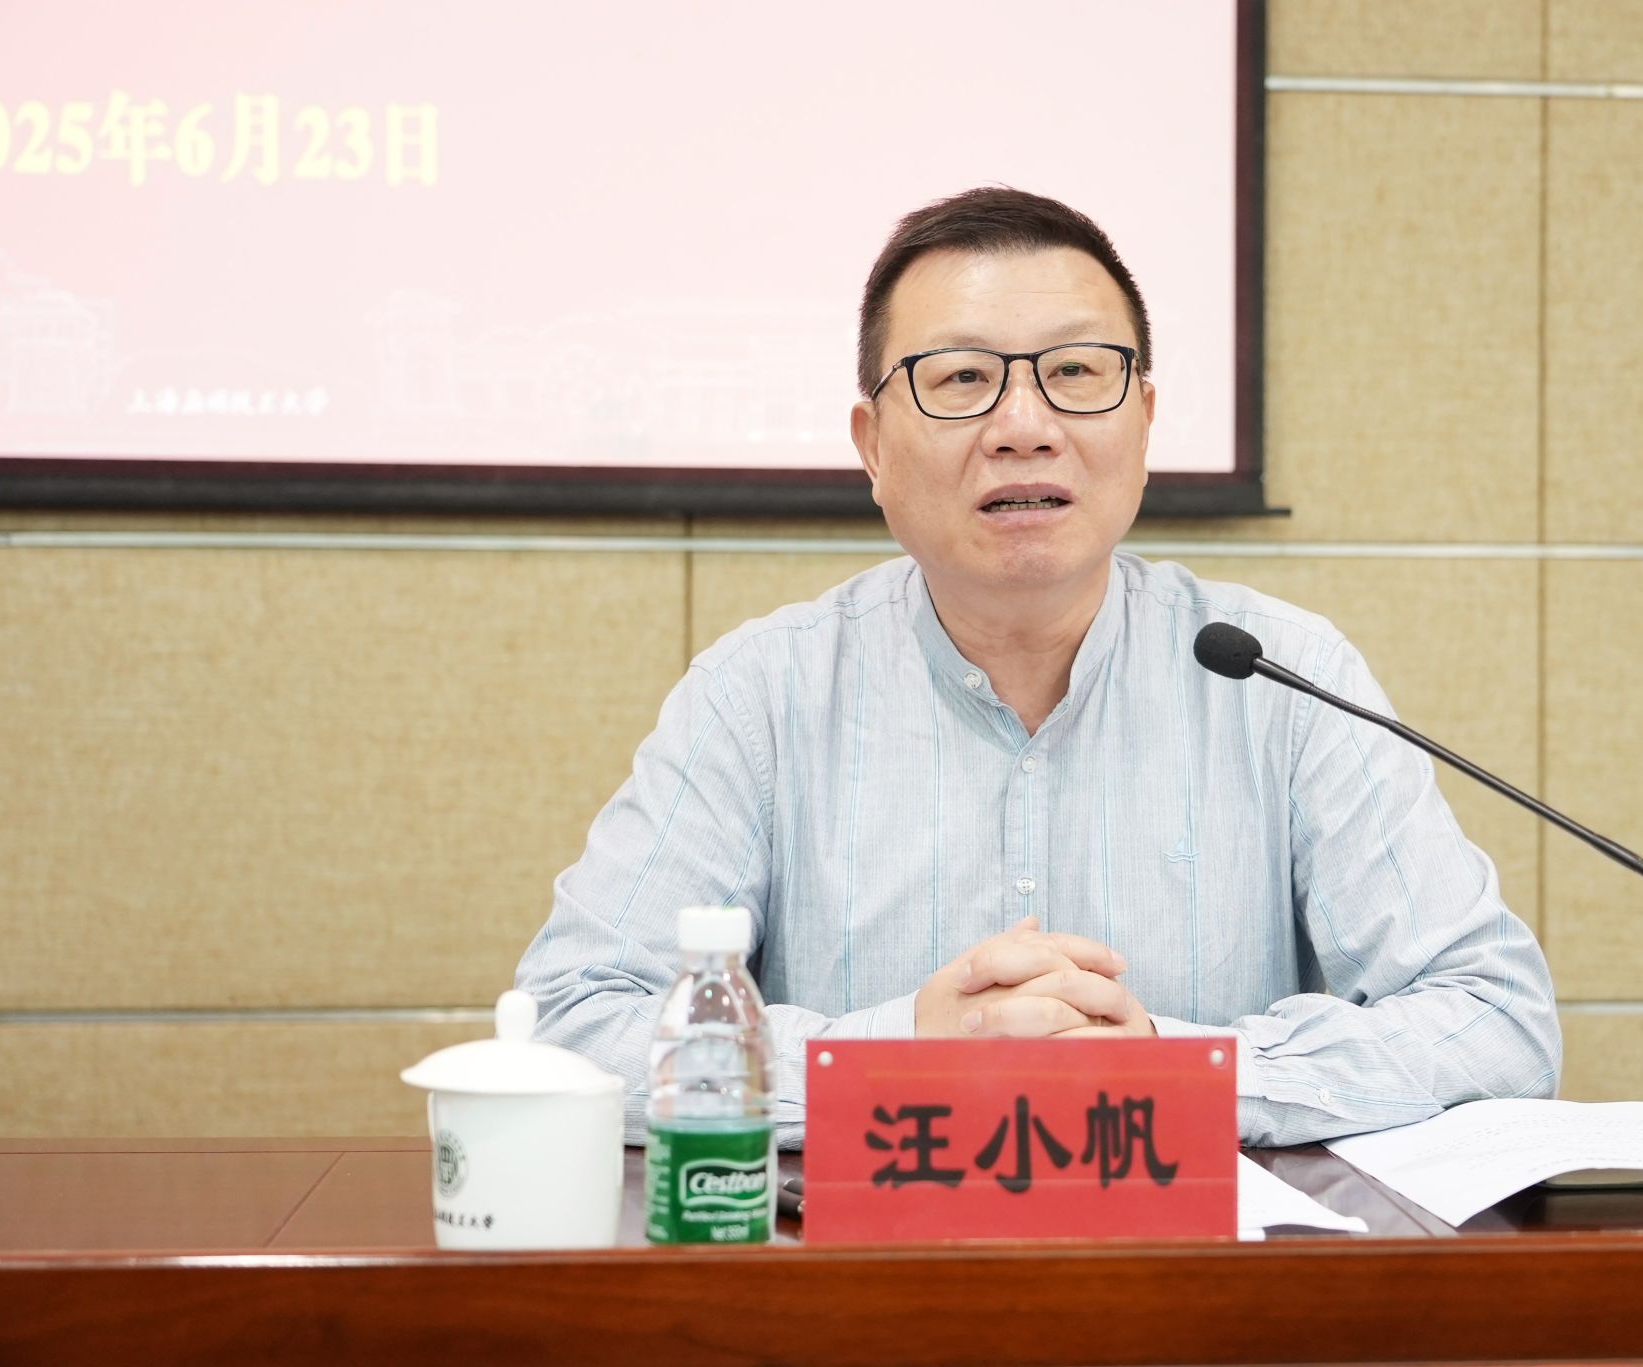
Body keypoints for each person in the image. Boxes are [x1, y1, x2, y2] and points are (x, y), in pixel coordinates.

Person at [515, 187, 1560, 1148]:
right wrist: (896, 1055)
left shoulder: (1282, 682)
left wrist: (1173, 1071)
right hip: (862, 1280)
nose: (1024, 427)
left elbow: (1495, 1019)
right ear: (872, 445)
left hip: (1202, 1283)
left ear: (1144, 421)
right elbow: (571, 1023)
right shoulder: (763, 694)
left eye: (1075, 373)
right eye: (962, 379)